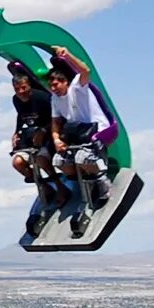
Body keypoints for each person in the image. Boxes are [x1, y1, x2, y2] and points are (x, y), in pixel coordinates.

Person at [43, 50, 111, 226]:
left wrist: (67, 54)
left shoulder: (77, 87)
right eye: (51, 85)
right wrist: (57, 140)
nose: (53, 88)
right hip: (78, 134)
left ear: (65, 82)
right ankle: (83, 186)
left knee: (82, 157)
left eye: (56, 84)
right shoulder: (55, 99)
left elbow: (85, 70)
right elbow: (56, 123)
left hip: (97, 130)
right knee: (59, 161)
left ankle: (102, 182)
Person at [6, 59, 60, 239]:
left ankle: (60, 188)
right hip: (30, 136)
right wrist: (16, 133)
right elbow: (22, 117)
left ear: (29, 85)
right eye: (18, 89)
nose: (21, 92)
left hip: (48, 133)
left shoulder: (42, 98)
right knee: (18, 163)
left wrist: (45, 131)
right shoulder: (17, 100)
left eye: (24, 88)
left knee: (42, 159)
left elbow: (56, 117)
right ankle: (44, 186)